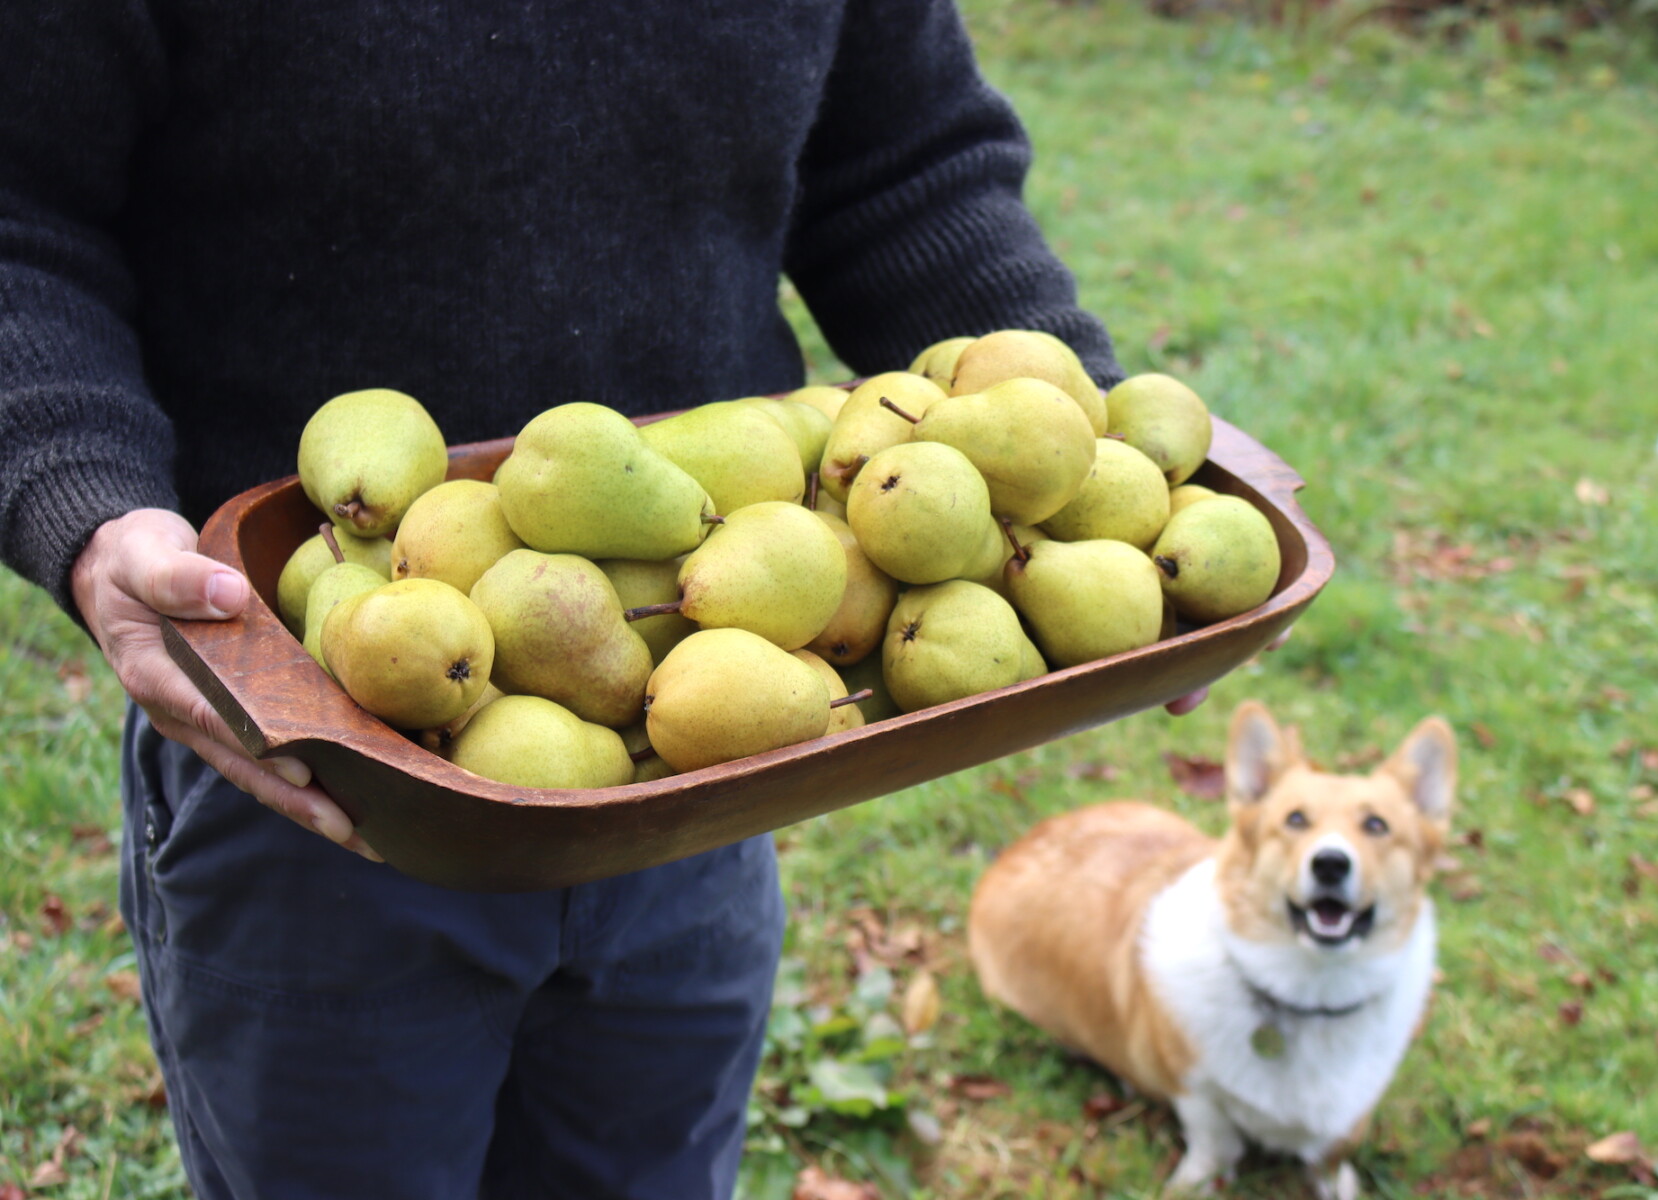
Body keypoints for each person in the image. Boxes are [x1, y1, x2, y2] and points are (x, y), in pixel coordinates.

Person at [0, 3, 1160, 1196]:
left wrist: (1104, 471)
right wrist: (87, 508)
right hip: (313, 755)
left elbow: (905, 164)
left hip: (705, 741)